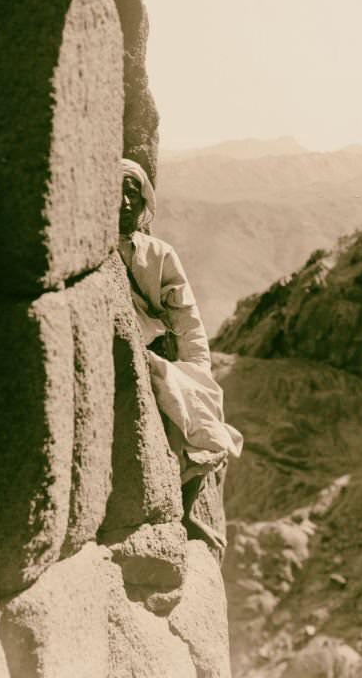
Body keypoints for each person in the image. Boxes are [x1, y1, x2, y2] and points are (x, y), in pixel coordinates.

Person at [117, 157, 243, 551]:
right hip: (125, 357)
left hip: (158, 356)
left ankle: (185, 511)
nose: (124, 201)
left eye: (133, 193)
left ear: (144, 202)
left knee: (205, 419)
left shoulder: (159, 254)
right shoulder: (92, 252)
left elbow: (186, 318)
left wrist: (197, 370)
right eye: (116, 190)